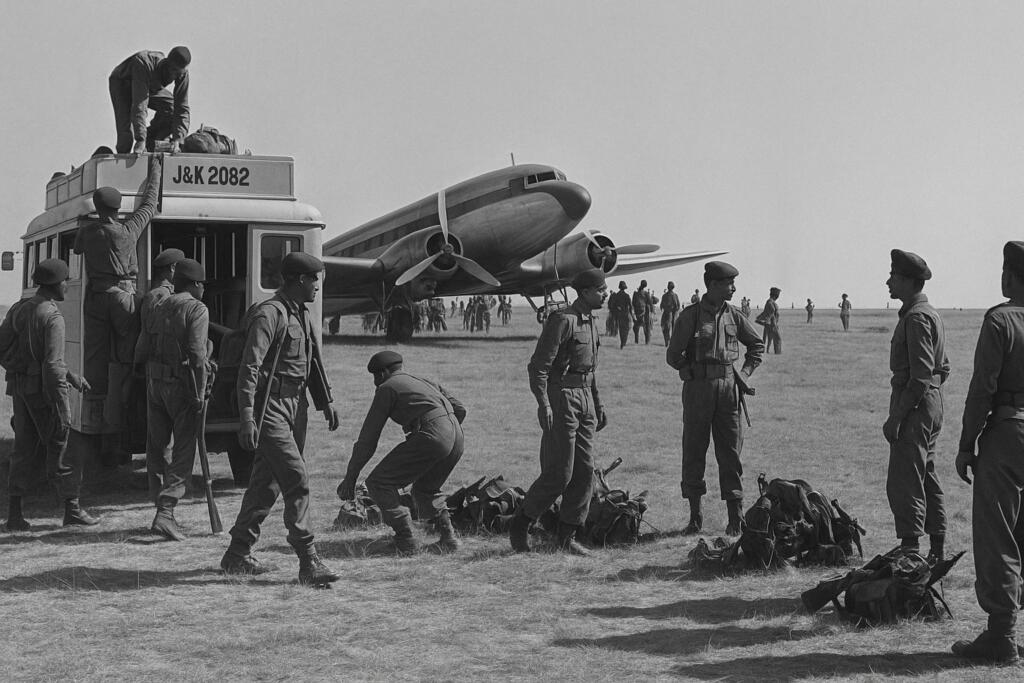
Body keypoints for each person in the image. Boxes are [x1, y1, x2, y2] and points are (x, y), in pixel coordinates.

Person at [220, 252, 341, 586]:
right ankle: (308, 559)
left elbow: (312, 362)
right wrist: (247, 416)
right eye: (314, 279)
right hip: (270, 406)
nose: (317, 286)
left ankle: (237, 553)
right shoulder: (269, 314)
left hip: (295, 405)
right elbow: (250, 366)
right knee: (296, 478)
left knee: (267, 484)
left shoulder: (301, 314)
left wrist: (325, 401)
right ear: (299, 280)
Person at [951, 241, 1024, 663]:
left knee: (999, 534)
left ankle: (1001, 636)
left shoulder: (1000, 320)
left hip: (1009, 432)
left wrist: (966, 444)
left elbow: (983, 389)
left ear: (1009, 275)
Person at [510, 269, 608, 555]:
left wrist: (598, 404)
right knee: (559, 473)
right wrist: (544, 404)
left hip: (585, 398)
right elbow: (538, 367)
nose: (605, 294)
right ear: (586, 292)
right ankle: (521, 523)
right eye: (601, 290)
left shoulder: (590, 322)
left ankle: (567, 535)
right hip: (562, 398)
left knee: (585, 471)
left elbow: (591, 369)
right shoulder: (563, 320)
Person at [74, 153, 162, 465]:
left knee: (96, 363)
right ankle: (123, 423)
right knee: (126, 364)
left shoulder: (87, 232)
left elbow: (76, 248)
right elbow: (149, 205)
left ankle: (99, 427)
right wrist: (156, 167)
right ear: (117, 208)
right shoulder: (127, 230)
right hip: (123, 296)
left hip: (95, 296)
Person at [667, 261, 764, 536]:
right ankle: (695, 518)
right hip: (699, 389)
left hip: (729, 390)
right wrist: (689, 371)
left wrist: (744, 373)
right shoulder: (690, 316)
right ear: (713, 285)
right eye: (728, 283)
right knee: (695, 450)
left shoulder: (734, 315)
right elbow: (673, 355)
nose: (733, 288)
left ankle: (736, 519)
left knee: (731, 451)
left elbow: (757, 345)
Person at [337, 351, 466, 554]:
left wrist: (350, 478)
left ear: (384, 373)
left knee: (379, 483)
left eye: (375, 376)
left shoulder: (387, 388)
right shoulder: (422, 380)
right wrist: (446, 433)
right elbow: (460, 409)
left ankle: (406, 539)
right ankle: (448, 538)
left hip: (433, 434)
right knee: (426, 487)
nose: (375, 383)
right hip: (457, 436)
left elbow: (367, 441)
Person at [1, 259, 96, 530]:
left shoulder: (20, 308)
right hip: (44, 392)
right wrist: (62, 405)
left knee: (22, 449)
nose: (67, 285)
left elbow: (4, 347)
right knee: (64, 447)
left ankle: (15, 515)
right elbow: (52, 365)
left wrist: (70, 376)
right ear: (56, 285)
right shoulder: (52, 316)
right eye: (65, 280)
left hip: (20, 389)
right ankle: (72, 510)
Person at [133, 258, 210, 541]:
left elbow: (142, 345)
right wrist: (199, 394)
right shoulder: (196, 308)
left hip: (154, 383)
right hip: (181, 385)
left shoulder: (157, 302)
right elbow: (197, 354)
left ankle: (159, 505)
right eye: (203, 284)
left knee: (156, 446)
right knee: (184, 450)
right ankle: (166, 512)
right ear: (196, 284)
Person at [883, 249, 949, 562]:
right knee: (925, 475)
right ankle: (936, 549)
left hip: (915, 405)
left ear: (909, 281)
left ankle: (911, 553)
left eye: (894, 277)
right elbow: (942, 368)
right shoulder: (929, 313)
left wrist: (898, 416)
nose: (888, 282)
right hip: (927, 403)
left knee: (905, 478)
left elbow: (921, 375)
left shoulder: (917, 317)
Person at [136, 247, 185, 500]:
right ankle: (169, 489)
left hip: (152, 370)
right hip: (168, 371)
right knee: (171, 436)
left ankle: (157, 488)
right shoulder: (165, 297)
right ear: (174, 270)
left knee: (156, 436)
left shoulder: (151, 296)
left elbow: (145, 337)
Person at [109, 47, 191, 154]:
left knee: (171, 109)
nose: (174, 75)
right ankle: (124, 159)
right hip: (123, 84)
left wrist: (178, 140)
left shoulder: (182, 73)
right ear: (167, 64)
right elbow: (140, 104)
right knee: (126, 137)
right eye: (173, 70)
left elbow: (182, 108)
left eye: (178, 72)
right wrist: (140, 139)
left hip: (152, 86)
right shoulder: (144, 62)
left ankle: (151, 141)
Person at [607, 281, 632, 349]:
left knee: (621, 329)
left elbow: (612, 305)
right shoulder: (627, 296)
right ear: (624, 288)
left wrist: (617, 309)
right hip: (626, 314)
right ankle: (624, 342)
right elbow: (630, 306)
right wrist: (632, 315)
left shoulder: (616, 295)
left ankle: (622, 343)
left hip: (619, 315)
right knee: (626, 329)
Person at [632, 280, 655, 344]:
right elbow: (650, 303)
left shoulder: (636, 293)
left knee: (636, 327)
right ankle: (646, 342)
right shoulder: (645, 293)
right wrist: (652, 311)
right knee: (646, 328)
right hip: (644, 313)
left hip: (639, 313)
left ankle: (637, 341)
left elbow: (633, 303)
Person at [760, 287, 782, 354]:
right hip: (771, 324)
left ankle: (764, 351)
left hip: (770, 323)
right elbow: (771, 313)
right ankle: (777, 353)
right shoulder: (770, 302)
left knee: (768, 338)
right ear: (775, 295)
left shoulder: (770, 302)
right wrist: (774, 324)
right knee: (777, 339)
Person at [660, 282, 681, 346]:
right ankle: (669, 342)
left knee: (667, 328)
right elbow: (677, 306)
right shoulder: (673, 295)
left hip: (670, 313)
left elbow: (662, 305)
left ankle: (668, 342)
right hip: (671, 313)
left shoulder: (667, 295)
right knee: (669, 328)